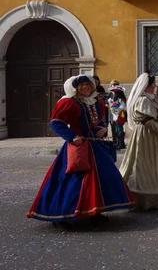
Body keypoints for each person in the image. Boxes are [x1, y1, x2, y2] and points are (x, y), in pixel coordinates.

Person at [27, 75, 134, 227]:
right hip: (78, 146)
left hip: (95, 147)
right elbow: (56, 123)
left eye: (88, 85)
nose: (85, 88)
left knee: (101, 180)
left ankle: (96, 212)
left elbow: (99, 121)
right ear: (76, 87)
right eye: (81, 85)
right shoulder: (70, 102)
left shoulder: (97, 101)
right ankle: (61, 215)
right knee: (71, 182)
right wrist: (72, 136)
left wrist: (103, 128)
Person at [119, 73, 158, 211]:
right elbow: (148, 123)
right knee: (143, 163)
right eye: (153, 83)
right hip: (146, 136)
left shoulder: (153, 98)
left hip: (157, 136)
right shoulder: (143, 100)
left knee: (157, 164)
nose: (155, 85)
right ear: (147, 85)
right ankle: (143, 197)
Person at [108, 85, 127, 150]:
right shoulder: (119, 100)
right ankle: (120, 143)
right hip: (116, 115)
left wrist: (113, 108)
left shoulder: (120, 100)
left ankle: (121, 143)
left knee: (119, 129)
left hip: (120, 115)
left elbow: (120, 107)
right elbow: (113, 106)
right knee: (117, 129)